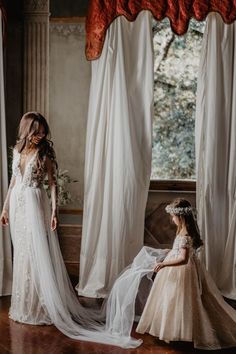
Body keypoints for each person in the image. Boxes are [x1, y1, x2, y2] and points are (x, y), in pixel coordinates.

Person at [136, 198, 236, 350]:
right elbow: (180, 251)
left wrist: (163, 264)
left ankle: (184, 332)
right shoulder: (183, 233)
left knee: (182, 301)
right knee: (172, 300)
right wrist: (168, 252)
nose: (172, 219)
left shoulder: (185, 235)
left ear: (181, 217)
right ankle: (174, 330)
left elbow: (183, 259)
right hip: (181, 270)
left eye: (174, 216)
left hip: (182, 272)